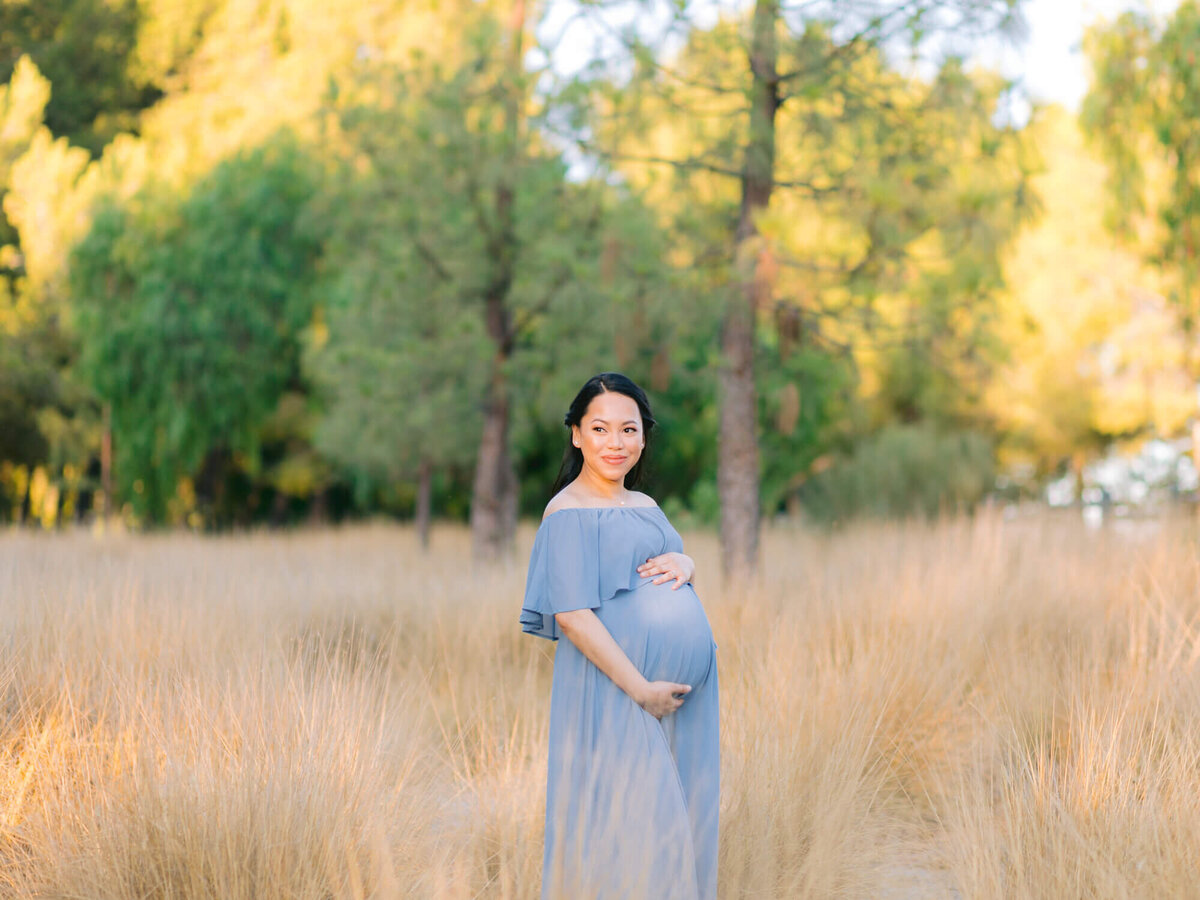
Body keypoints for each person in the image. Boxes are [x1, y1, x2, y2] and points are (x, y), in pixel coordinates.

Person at [520, 372, 719, 900]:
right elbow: (573, 616)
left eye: (628, 429)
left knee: (683, 819)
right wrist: (641, 691)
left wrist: (687, 559)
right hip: (618, 693)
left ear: (644, 436)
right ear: (577, 435)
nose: (616, 443)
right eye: (601, 429)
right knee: (631, 829)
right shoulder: (566, 513)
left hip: (680, 699)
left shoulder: (646, 505)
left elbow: (671, 568)